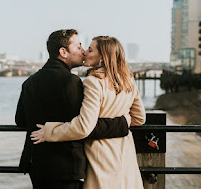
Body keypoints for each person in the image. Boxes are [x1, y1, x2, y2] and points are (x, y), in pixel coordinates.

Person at [15, 29, 131, 189]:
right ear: (63, 52)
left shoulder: (29, 82)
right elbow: (86, 126)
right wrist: (122, 123)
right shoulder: (71, 82)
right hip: (66, 165)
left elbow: (20, 120)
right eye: (78, 47)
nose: (83, 52)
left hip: (36, 163)